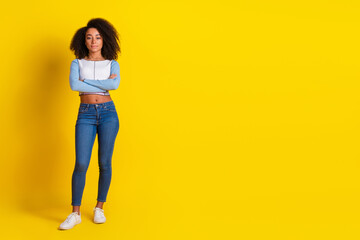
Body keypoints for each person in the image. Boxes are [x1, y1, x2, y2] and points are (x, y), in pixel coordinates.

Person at [59, 18, 121, 230]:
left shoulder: (112, 64)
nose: (93, 41)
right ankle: (75, 213)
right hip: (85, 114)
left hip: (108, 114)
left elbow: (115, 84)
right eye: (89, 37)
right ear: (84, 41)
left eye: (98, 37)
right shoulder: (77, 63)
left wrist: (86, 82)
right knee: (81, 163)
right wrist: (97, 83)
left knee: (104, 163)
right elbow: (74, 85)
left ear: (104, 40)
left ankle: (99, 208)